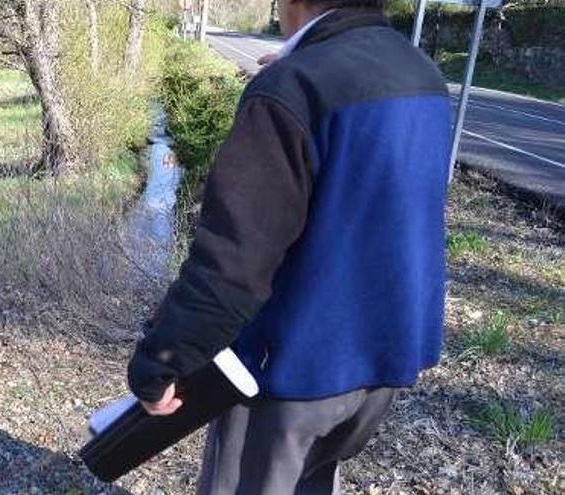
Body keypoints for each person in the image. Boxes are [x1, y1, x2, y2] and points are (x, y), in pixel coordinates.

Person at [126, 0, 453, 493]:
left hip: (292, 368)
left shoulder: (293, 88)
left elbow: (232, 260)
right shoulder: (422, 74)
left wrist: (164, 360)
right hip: (385, 355)